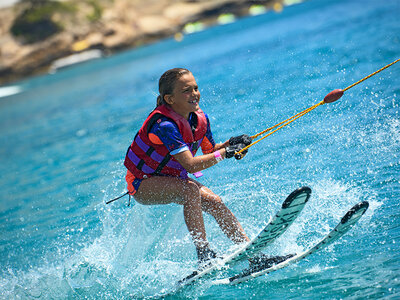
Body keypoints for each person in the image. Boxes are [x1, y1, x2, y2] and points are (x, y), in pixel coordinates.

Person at [123, 68, 291, 268]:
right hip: (142, 184)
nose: (194, 94)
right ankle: (204, 255)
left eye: (195, 88)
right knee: (190, 190)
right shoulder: (165, 125)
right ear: (169, 99)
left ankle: (254, 257)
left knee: (215, 202)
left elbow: (210, 150)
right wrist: (225, 154)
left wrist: (231, 143)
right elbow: (191, 164)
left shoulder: (198, 118)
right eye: (186, 90)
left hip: (172, 179)